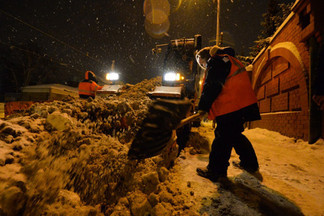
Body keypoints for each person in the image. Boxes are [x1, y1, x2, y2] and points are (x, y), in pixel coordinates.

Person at [195, 45, 261, 182]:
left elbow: (213, 84)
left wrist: (203, 107)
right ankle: (250, 164)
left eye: (202, 63)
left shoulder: (217, 60)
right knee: (235, 135)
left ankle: (216, 171)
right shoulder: (229, 59)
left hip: (231, 105)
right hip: (241, 104)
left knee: (222, 138)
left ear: (206, 58)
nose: (203, 67)